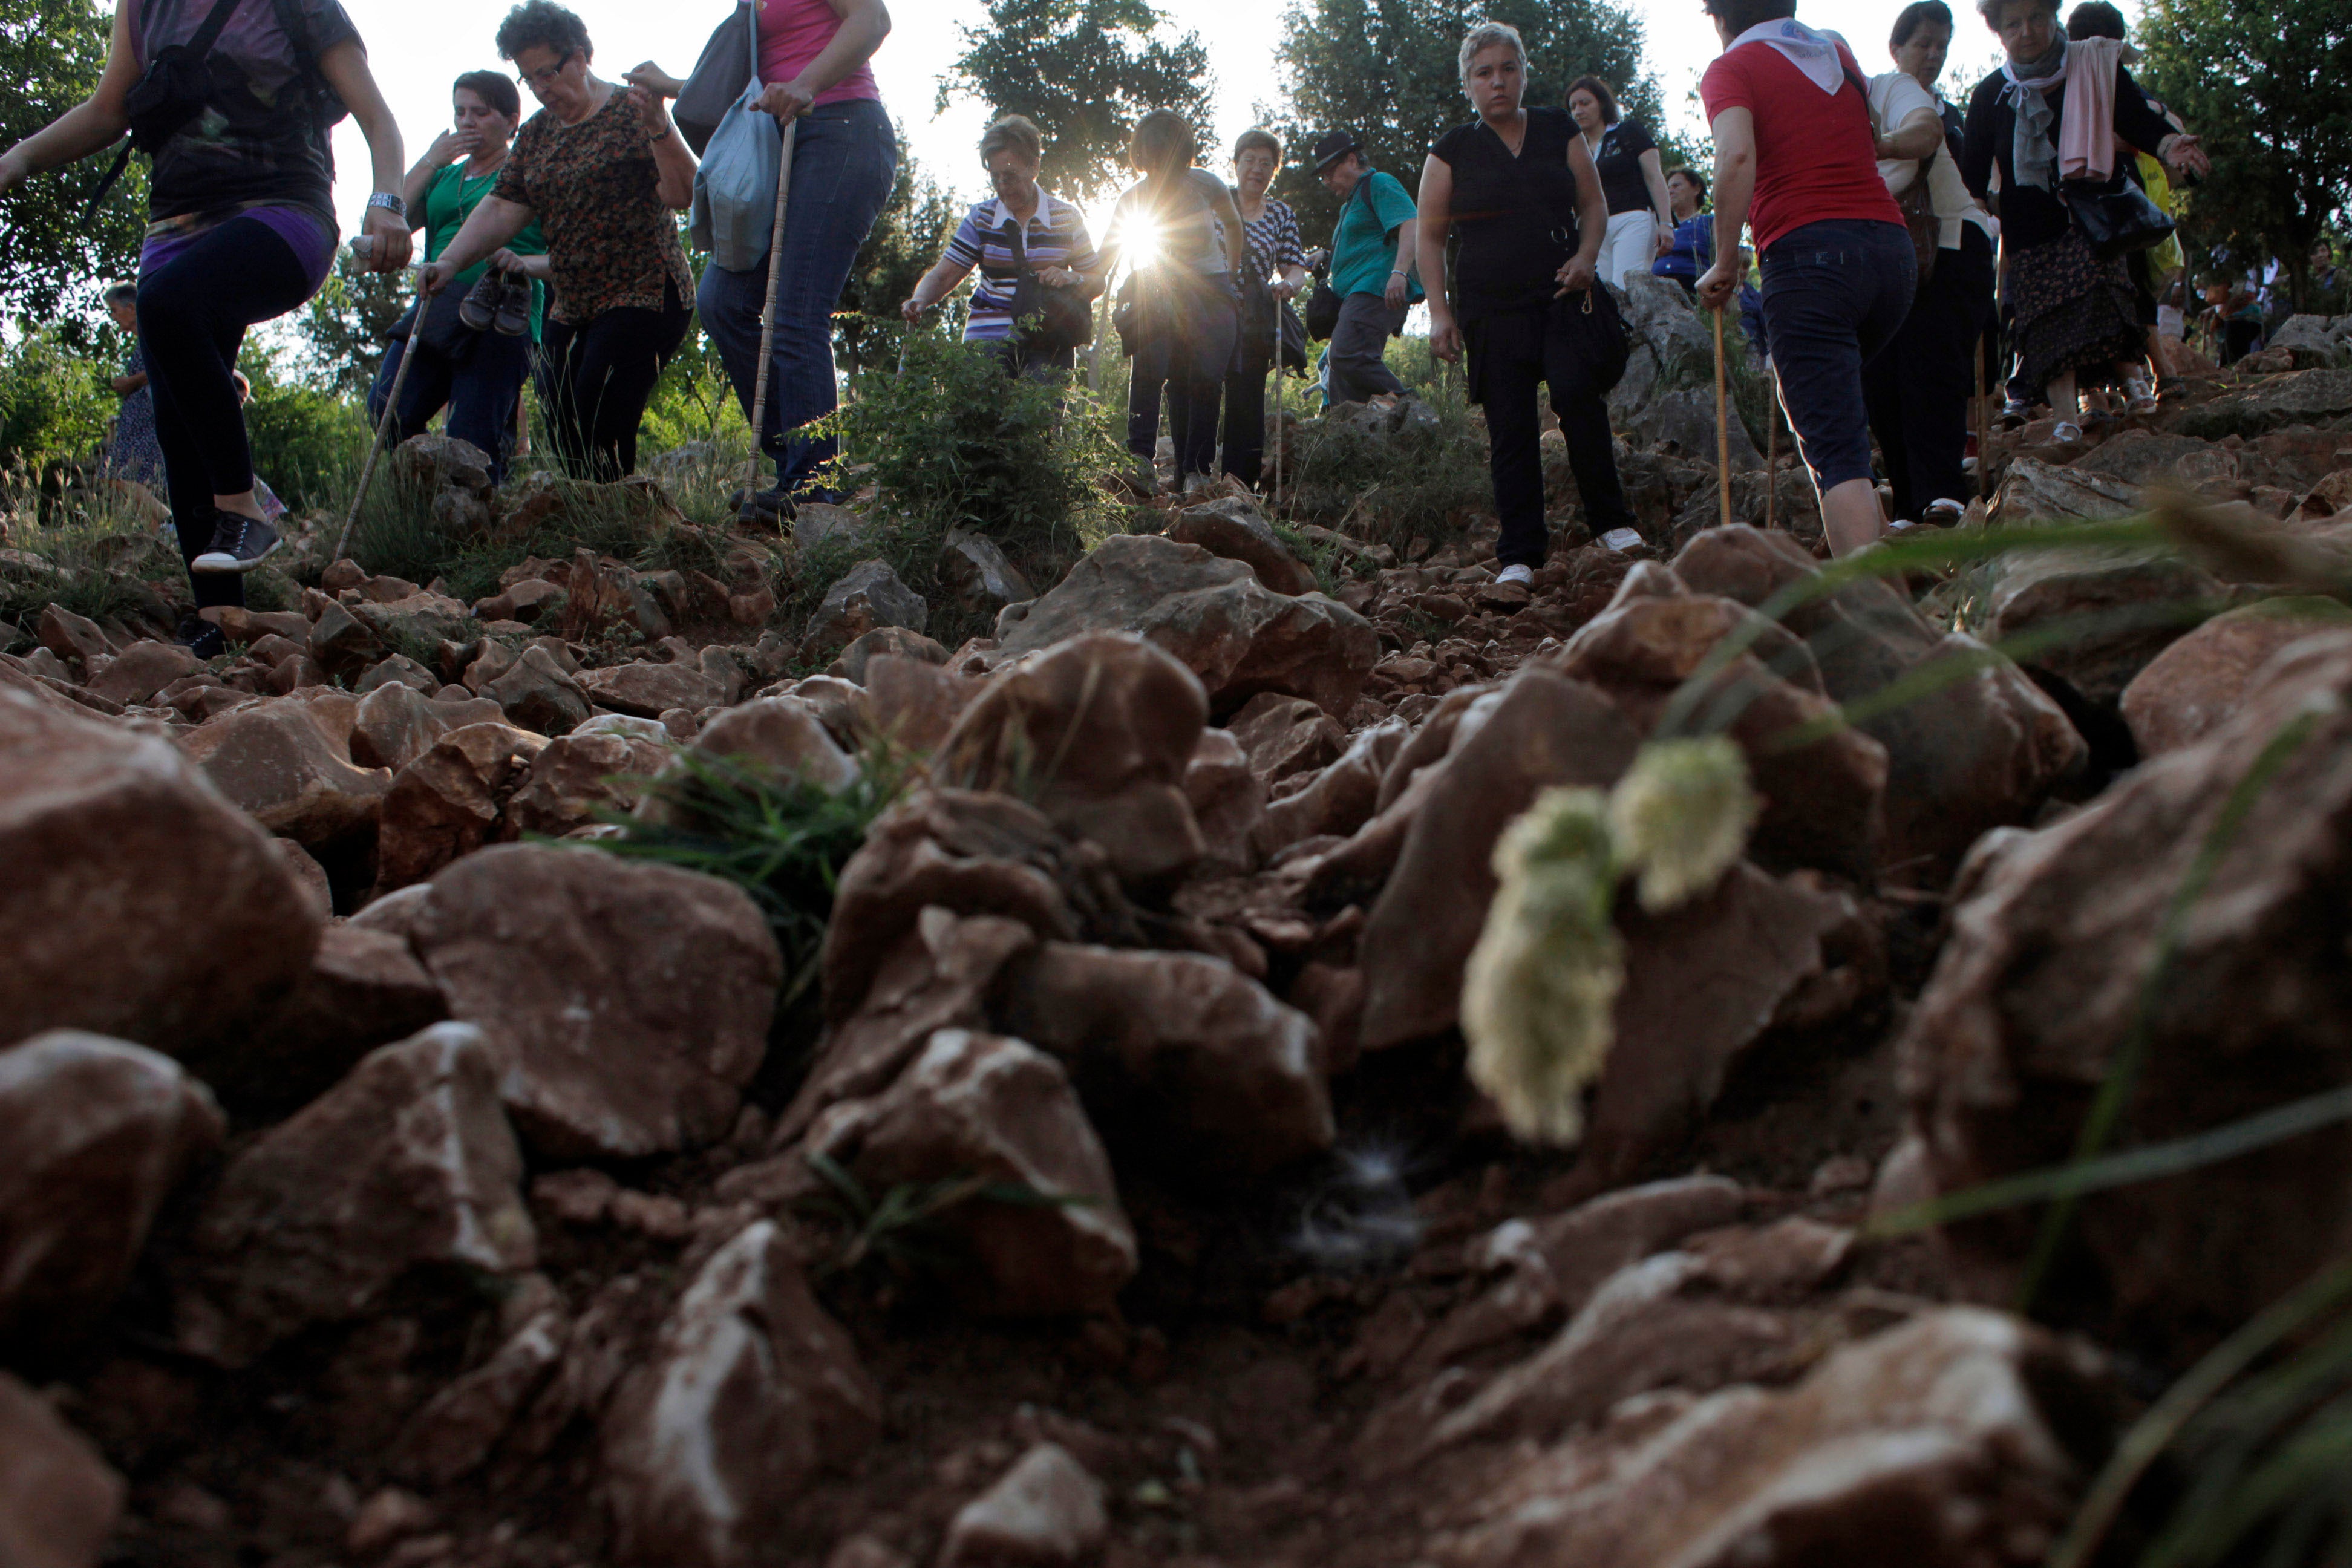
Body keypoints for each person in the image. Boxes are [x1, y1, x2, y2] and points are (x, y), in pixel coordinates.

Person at [0, 0, 410, 652]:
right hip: (173, 228)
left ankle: (243, 507)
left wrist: (387, 201)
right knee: (176, 419)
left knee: (164, 306)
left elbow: (378, 118)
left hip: (284, 211)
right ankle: (218, 621)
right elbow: (110, 112)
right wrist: (15, 162)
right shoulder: (141, 8)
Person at [627, 0, 895, 517]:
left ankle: (816, 483)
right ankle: (794, 460)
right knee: (724, 301)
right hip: (779, 140)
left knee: (795, 312)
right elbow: (756, 84)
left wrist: (808, 83)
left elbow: (873, 19)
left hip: (841, 131)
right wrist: (673, 85)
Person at [422, 1, 696, 482]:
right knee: (563, 416)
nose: (543, 89)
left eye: (548, 73)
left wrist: (660, 126)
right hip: (572, 304)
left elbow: (684, 194)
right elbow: (503, 205)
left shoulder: (631, 111)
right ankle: (591, 533)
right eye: (532, 79)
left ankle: (620, 534)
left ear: (581, 56)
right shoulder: (536, 135)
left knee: (600, 405)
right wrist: (448, 263)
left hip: (647, 291)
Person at [1420, 21, 1638, 590]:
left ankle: (1613, 524)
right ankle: (1520, 555)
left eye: (1508, 69)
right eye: (1484, 73)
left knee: (1577, 398)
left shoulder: (1557, 128)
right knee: (1510, 428)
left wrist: (1589, 256)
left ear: (1523, 73)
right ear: (1467, 83)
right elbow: (1430, 238)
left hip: (1563, 294)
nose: (1498, 82)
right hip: (1490, 308)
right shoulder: (1450, 150)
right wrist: (1440, 313)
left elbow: (1594, 205)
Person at [1697, 0, 1916, 557]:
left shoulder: (1732, 68)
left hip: (1808, 256)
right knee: (1836, 417)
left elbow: (1736, 156)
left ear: (1718, 17)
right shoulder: (1836, 51)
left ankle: (1876, 618)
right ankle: (1885, 559)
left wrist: (1726, 261)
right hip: (1891, 252)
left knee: (1834, 449)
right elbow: (1866, 138)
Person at [1958, 0, 2208, 443]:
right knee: (2045, 321)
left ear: (2054, 17)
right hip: (2029, 232)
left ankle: (2128, 392)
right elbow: (1973, 177)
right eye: (2013, 24)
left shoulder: (2092, 66)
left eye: (2036, 18)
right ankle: (2064, 418)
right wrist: (1973, 225)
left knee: (2102, 304)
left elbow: (2137, 117)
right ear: (1997, 32)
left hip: (2090, 219)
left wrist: (2171, 146)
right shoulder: (1991, 94)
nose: (2027, 31)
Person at [370, 71, 550, 482]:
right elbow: (387, 217)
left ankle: (477, 524)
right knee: (388, 407)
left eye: (480, 112)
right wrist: (432, 159)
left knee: (474, 436)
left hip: (503, 311)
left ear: (511, 120)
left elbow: (570, 247)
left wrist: (526, 263)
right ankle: (423, 495)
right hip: (438, 303)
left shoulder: (529, 175)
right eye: (460, 112)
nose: (466, 122)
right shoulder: (444, 178)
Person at [1861, 0, 1999, 525]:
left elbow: (1917, 148)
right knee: (1882, 378)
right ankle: (1911, 498)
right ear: (1897, 47)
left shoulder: (1895, 92)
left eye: (1941, 46)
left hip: (1951, 247)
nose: (1935, 55)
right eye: (1925, 44)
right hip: (1895, 259)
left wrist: (1874, 147)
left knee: (1930, 368)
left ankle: (1942, 493)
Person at [1096, 111, 1247, 497]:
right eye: (1152, 160)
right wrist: (1075, 279)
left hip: (1211, 286)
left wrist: (1232, 272)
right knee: (1149, 367)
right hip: (1158, 285)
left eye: (1169, 159)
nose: (1160, 169)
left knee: (1207, 377)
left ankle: (1196, 470)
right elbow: (1106, 257)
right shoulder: (1133, 198)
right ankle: (1141, 460)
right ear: (1142, 159)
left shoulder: (1206, 184)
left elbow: (1233, 224)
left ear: (1184, 156)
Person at [900, 114, 1096, 379]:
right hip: (987, 344)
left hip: (1049, 343)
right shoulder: (981, 218)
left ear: (1035, 166)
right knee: (978, 420)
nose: (1003, 187)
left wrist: (1072, 276)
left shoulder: (1067, 219)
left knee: (1040, 420)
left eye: (1011, 176)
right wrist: (919, 300)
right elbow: (943, 274)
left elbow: (1097, 280)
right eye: (996, 178)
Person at [1308, 129, 1420, 407]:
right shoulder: (1350, 204)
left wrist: (1400, 273)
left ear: (1351, 160)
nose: (1327, 182)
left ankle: (1415, 412)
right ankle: (1350, 441)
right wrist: (1326, 254)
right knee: (1341, 379)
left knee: (1348, 356)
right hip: (1352, 297)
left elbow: (1411, 225)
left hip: (1374, 289)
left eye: (1329, 173)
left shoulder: (1379, 183)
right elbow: (1364, 244)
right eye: (1322, 177)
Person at [1224, 128, 1309, 489]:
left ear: (1274, 170)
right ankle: (1191, 475)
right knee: (1202, 389)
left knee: (1248, 401)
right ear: (1236, 163)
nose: (1257, 169)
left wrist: (1288, 284)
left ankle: (1242, 486)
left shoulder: (1280, 214)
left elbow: (1296, 267)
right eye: (1250, 161)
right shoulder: (1214, 201)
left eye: (1266, 163)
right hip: (1209, 312)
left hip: (1256, 318)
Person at [1567, 76, 1676, 290]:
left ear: (1602, 104)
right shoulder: (1576, 151)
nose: (1578, 111)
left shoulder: (1628, 132)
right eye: (1573, 106)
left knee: (1627, 287)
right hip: (1594, 229)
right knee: (1603, 294)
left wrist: (1666, 223)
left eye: (1585, 103)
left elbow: (1654, 176)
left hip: (1633, 219)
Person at [99, 281, 166, 522]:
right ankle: (155, 550)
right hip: (138, 419)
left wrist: (131, 382)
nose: (113, 317)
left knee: (114, 473)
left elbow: (165, 364)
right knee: (142, 482)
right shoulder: (143, 338)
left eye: (114, 310)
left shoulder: (154, 331)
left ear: (131, 307)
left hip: (148, 418)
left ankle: (170, 521)